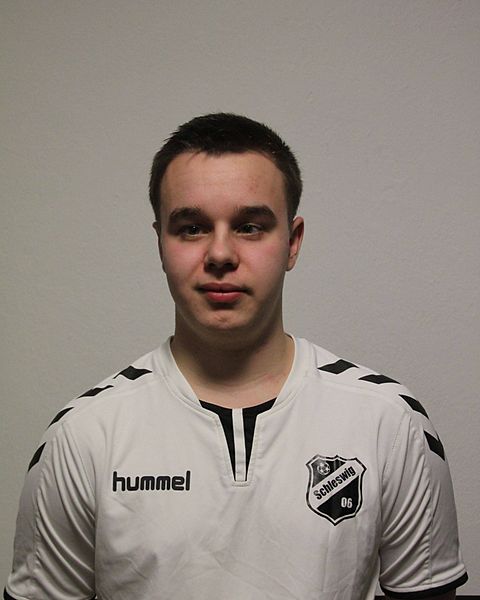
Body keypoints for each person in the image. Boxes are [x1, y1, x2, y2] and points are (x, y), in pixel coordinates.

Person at [5, 113, 467, 600]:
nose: (221, 254)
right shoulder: (83, 436)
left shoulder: (389, 423)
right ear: (160, 243)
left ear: (292, 242)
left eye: (249, 227)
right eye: (192, 228)